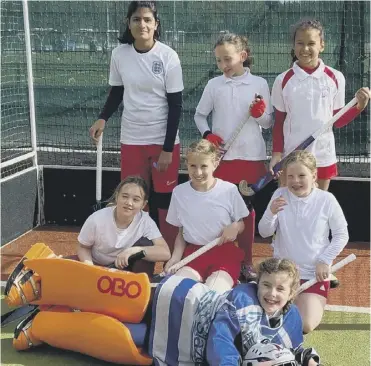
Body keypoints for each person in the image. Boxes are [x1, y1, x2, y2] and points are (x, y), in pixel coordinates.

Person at [89, 1, 184, 253]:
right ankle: (133, 250)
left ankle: (169, 255)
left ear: (156, 25)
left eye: (147, 20)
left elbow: (176, 106)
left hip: (163, 142)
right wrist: (103, 118)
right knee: (133, 198)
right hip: (132, 139)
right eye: (136, 20)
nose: (142, 24)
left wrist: (167, 149)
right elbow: (117, 92)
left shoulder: (168, 56)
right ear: (129, 24)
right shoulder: (119, 54)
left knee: (164, 200)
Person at [194, 33, 273, 278]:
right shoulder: (214, 85)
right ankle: (222, 258)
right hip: (222, 160)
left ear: (243, 56)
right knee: (221, 210)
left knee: (245, 212)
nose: (223, 65)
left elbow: (268, 122)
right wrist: (209, 135)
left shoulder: (259, 83)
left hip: (251, 159)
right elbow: (198, 116)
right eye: (218, 61)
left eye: (227, 59)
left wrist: (259, 113)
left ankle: (246, 262)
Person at [149, 258, 321, 366]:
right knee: (130, 320)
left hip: (185, 332)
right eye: (266, 285)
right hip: (177, 302)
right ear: (257, 283)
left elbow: (291, 350)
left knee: (138, 339)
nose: (272, 294)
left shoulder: (292, 317)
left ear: (291, 293)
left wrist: (308, 360)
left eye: (280, 289)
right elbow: (221, 340)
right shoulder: (242, 300)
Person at [270, 18, 370, 191]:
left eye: (311, 43)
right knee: (285, 207)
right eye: (300, 43)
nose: (305, 48)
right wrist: (277, 154)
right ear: (293, 46)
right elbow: (279, 121)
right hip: (292, 156)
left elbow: (337, 120)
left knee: (318, 208)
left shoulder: (335, 77)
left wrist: (359, 106)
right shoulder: (283, 80)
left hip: (323, 155)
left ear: (322, 45)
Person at [258, 150, 349, 333]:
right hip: (283, 272)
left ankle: (309, 295)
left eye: (301, 175)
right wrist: (271, 213)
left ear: (314, 175)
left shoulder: (326, 200)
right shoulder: (279, 195)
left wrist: (324, 261)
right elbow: (264, 231)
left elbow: (341, 235)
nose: (295, 181)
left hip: (313, 274)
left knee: (305, 325)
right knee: (264, 316)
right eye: (290, 176)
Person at [164, 139, 249, 293]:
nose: (198, 172)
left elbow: (242, 224)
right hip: (193, 255)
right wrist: (176, 257)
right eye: (193, 166)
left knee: (212, 293)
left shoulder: (228, 190)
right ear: (187, 165)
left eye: (204, 166)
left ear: (215, 164)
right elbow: (182, 233)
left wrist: (235, 227)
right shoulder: (179, 192)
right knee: (176, 292)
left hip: (224, 254)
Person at [77, 175, 171, 275]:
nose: (129, 203)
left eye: (136, 199)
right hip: (95, 264)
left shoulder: (145, 221)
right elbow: (83, 247)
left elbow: (165, 252)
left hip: (121, 270)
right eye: (125, 196)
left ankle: (140, 284)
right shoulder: (97, 219)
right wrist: (90, 268)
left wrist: (135, 250)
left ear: (143, 205)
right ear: (117, 197)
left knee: (146, 245)